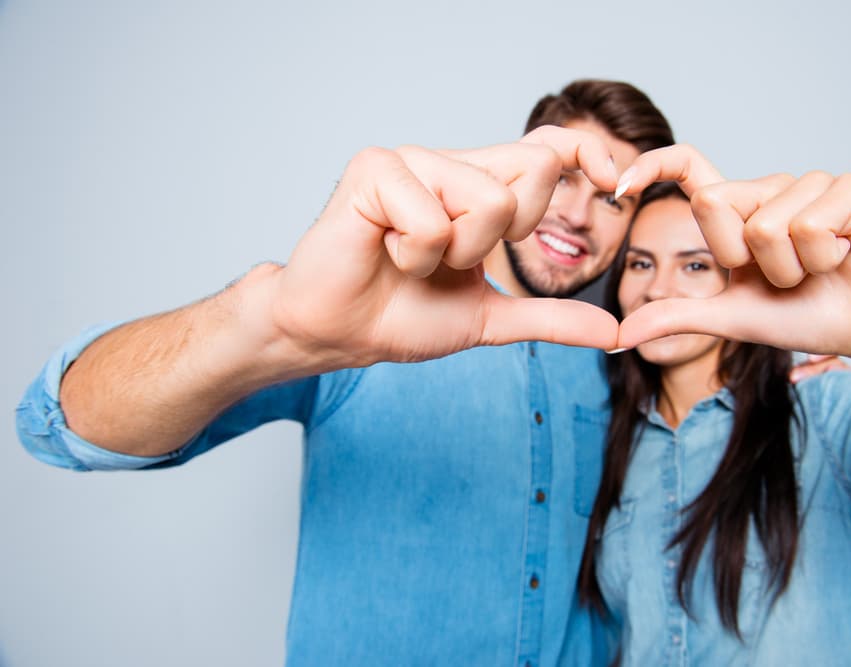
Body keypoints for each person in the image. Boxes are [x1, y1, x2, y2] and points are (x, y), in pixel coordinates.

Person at [16, 80, 675, 666]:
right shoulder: (363, 315)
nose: (578, 215)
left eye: (613, 200)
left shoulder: (629, 370)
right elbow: (58, 422)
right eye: (563, 178)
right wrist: (275, 324)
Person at [578, 157, 851, 665]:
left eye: (695, 265)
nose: (657, 289)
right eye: (640, 263)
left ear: (741, 278)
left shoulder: (826, 411)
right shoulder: (607, 433)